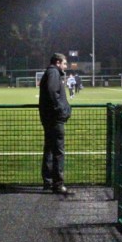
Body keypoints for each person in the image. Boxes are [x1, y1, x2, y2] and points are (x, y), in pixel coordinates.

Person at [38, 53, 72, 195]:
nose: (65, 66)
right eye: (64, 63)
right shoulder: (53, 73)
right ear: (58, 62)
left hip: (50, 117)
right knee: (58, 151)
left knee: (50, 149)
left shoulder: (50, 72)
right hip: (54, 118)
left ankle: (48, 182)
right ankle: (58, 184)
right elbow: (52, 91)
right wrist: (61, 109)